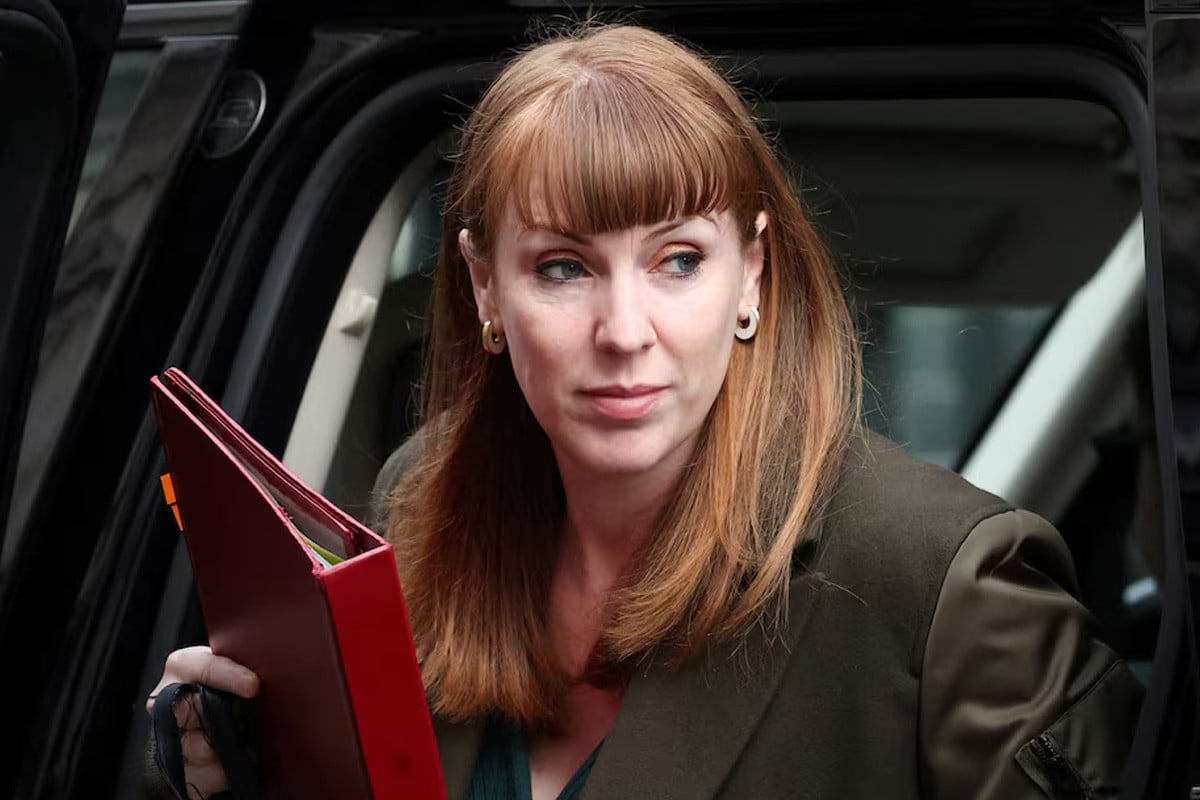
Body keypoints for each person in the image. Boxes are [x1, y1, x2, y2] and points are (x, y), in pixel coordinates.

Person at [144, 22, 1144, 800]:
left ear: (752, 272)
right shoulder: (420, 503)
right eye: (563, 268)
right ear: (485, 286)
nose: (625, 330)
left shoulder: (945, 585)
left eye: (678, 260)